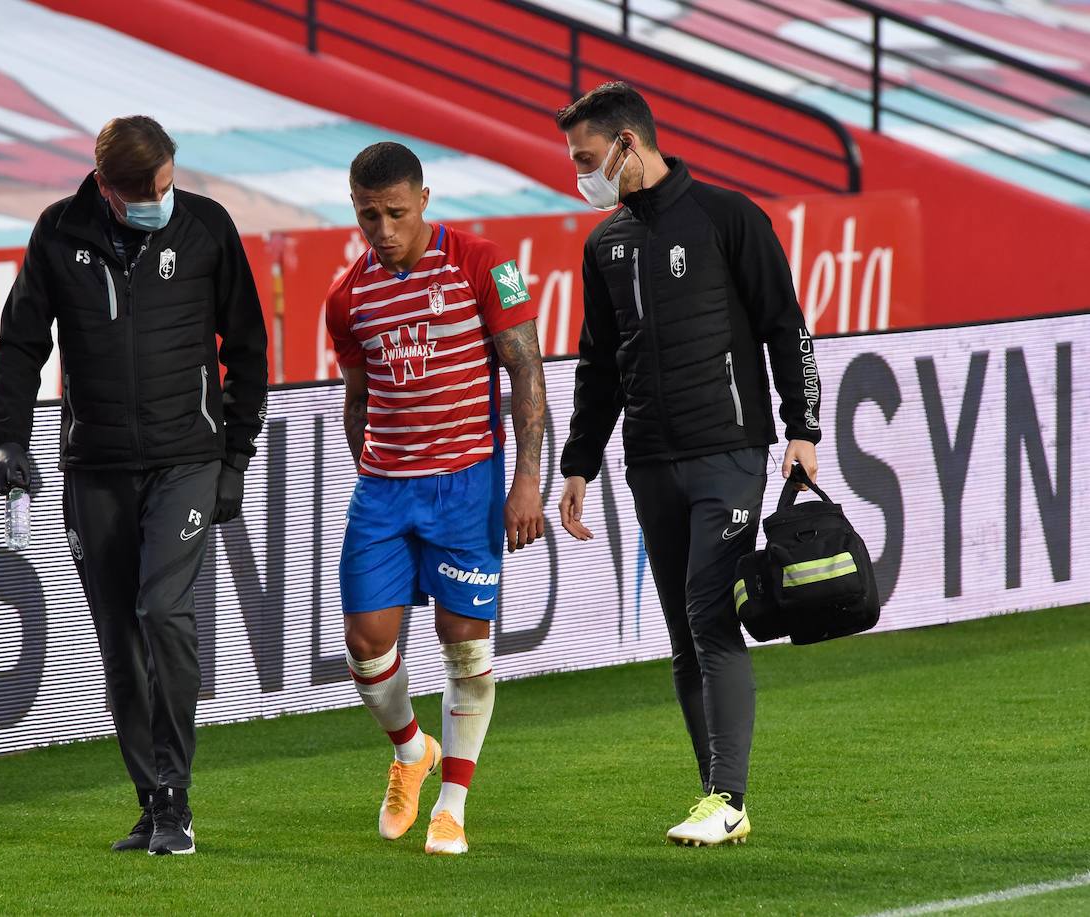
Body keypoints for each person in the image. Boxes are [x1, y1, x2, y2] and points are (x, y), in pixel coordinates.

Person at [0, 115, 268, 856]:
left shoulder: (208, 228)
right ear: (104, 184)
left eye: (167, 185)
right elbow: (19, 345)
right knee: (119, 640)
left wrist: (234, 457)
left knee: (162, 610)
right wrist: (8, 440)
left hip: (187, 460)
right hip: (95, 468)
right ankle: (150, 800)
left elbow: (247, 348)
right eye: (144, 192)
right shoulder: (55, 234)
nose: (160, 200)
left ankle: (175, 798)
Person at [554, 82, 823, 846]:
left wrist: (803, 427)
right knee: (683, 635)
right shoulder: (604, 243)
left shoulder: (728, 218)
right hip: (651, 465)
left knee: (710, 615)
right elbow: (599, 364)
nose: (581, 172)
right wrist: (579, 462)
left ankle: (729, 797)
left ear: (627, 144)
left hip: (730, 453)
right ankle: (714, 795)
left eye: (586, 157)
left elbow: (786, 328)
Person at [324, 142, 547, 856]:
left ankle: (452, 803)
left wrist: (527, 480)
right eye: (368, 216)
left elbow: (527, 375)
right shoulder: (346, 297)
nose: (383, 229)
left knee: (466, 649)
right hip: (385, 491)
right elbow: (357, 397)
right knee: (365, 642)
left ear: (424, 199)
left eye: (394, 212)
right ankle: (410, 751)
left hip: (467, 486)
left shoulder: (485, 263)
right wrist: (367, 465)